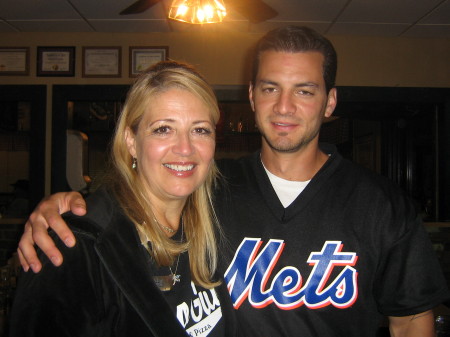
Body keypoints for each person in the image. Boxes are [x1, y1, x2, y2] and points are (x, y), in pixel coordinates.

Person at [17, 26, 449, 336]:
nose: (284, 107)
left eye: (304, 90)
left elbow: (411, 317)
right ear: (251, 96)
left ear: (330, 101)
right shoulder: (210, 189)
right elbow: (127, 213)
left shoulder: (381, 204)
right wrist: (67, 207)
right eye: (269, 88)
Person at [9, 61, 237, 337]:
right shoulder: (76, 246)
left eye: (200, 130)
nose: (185, 148)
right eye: (163, 129)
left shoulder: (212, 223)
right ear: (131, 140)